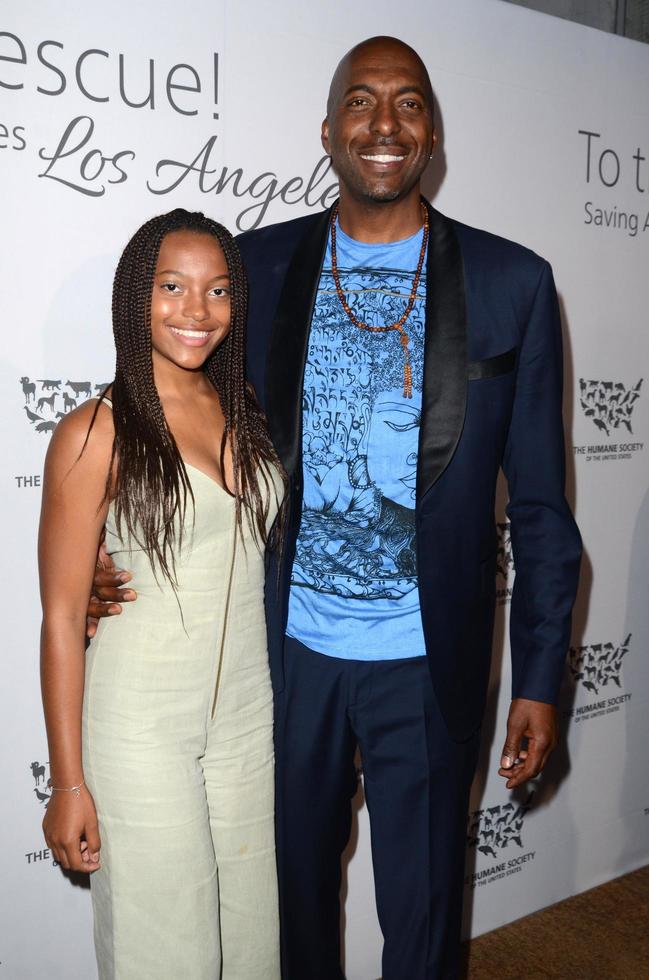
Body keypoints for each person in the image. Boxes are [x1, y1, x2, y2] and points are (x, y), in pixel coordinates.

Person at [90, 37, 582, 980]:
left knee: (425, 913)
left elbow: (544, 509)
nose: (383, 125)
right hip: (284, 658)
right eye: (360, 102)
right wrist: (94, 560)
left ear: (431, 132)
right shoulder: (259, 267)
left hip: (428, 661)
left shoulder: (511, 284)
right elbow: (160, 407)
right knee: (291, 912)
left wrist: (540, 677)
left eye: (406, 104)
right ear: (328, 130)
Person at [39, 209, 284, 980]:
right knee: (163, 952)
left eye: (216, 290)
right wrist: (68, 783)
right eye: (171, 286)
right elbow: (58, 616)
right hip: (140, 727)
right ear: (134, 298)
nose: (195, 310)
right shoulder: (95, 431)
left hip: (248, 719)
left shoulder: (241, 404)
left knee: (252, 945)